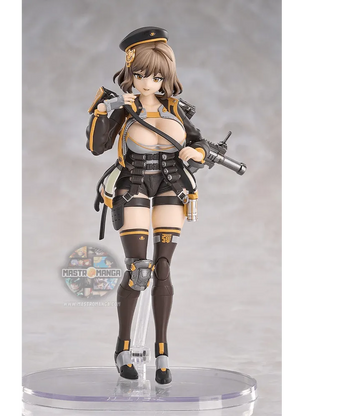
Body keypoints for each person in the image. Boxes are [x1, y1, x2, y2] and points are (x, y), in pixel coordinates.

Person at [86, 27, 211, 385]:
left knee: (164, 268)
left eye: (156, 77)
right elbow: (96, 147)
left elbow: (201, 143)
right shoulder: (124, 108)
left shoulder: (175, 108)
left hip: (172, 184)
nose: (147, 83)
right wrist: (100, 112)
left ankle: (162, 352)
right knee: (139, 268)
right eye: (141, 74)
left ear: (165, 78)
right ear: (130, 71)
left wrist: (196, 152)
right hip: (134, 184)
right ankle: (124, 346)